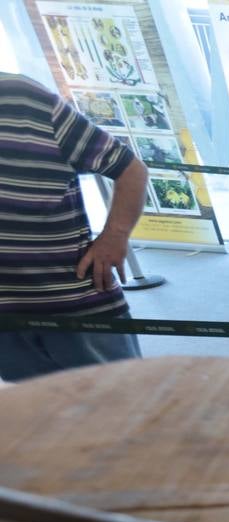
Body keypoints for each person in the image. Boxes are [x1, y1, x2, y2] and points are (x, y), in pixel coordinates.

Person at [0, 75, 149, 383]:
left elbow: (130, 170)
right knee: (42, 417)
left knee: (124, 406)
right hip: (7, 320)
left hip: (75, 303)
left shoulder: (23, 97)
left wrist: (114, 237)